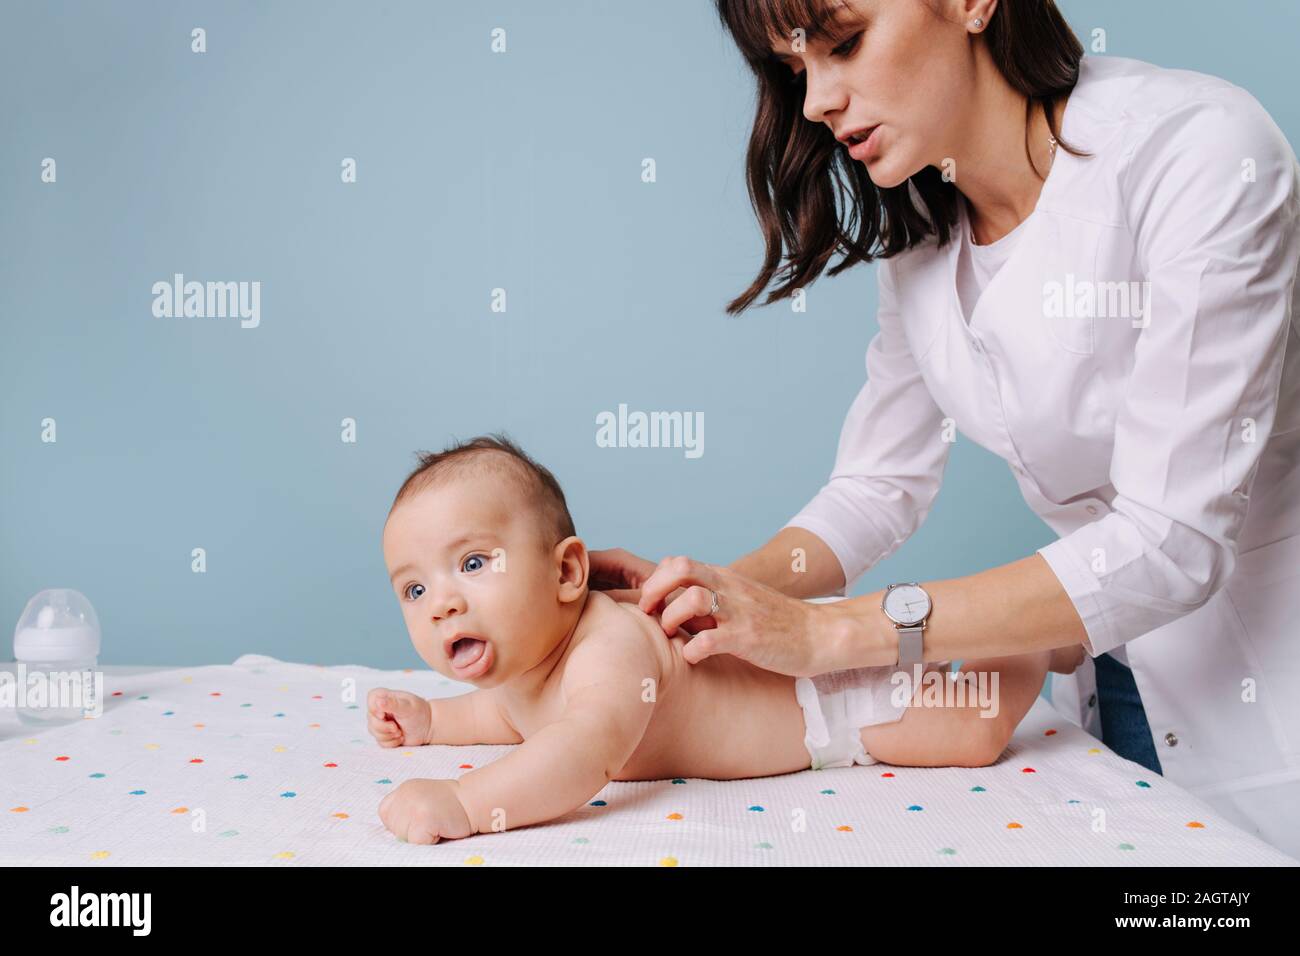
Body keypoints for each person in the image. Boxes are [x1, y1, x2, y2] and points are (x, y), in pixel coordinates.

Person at [590, 0, 1300, 857]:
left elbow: (1171, 541)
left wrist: (829, 634)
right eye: (795, 67)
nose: (815, 100)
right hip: (1116, 688)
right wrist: (703, 601)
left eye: (845, 42)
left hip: (1272, 688)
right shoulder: (925, 233)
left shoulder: (1198, 152)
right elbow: (875, 489)